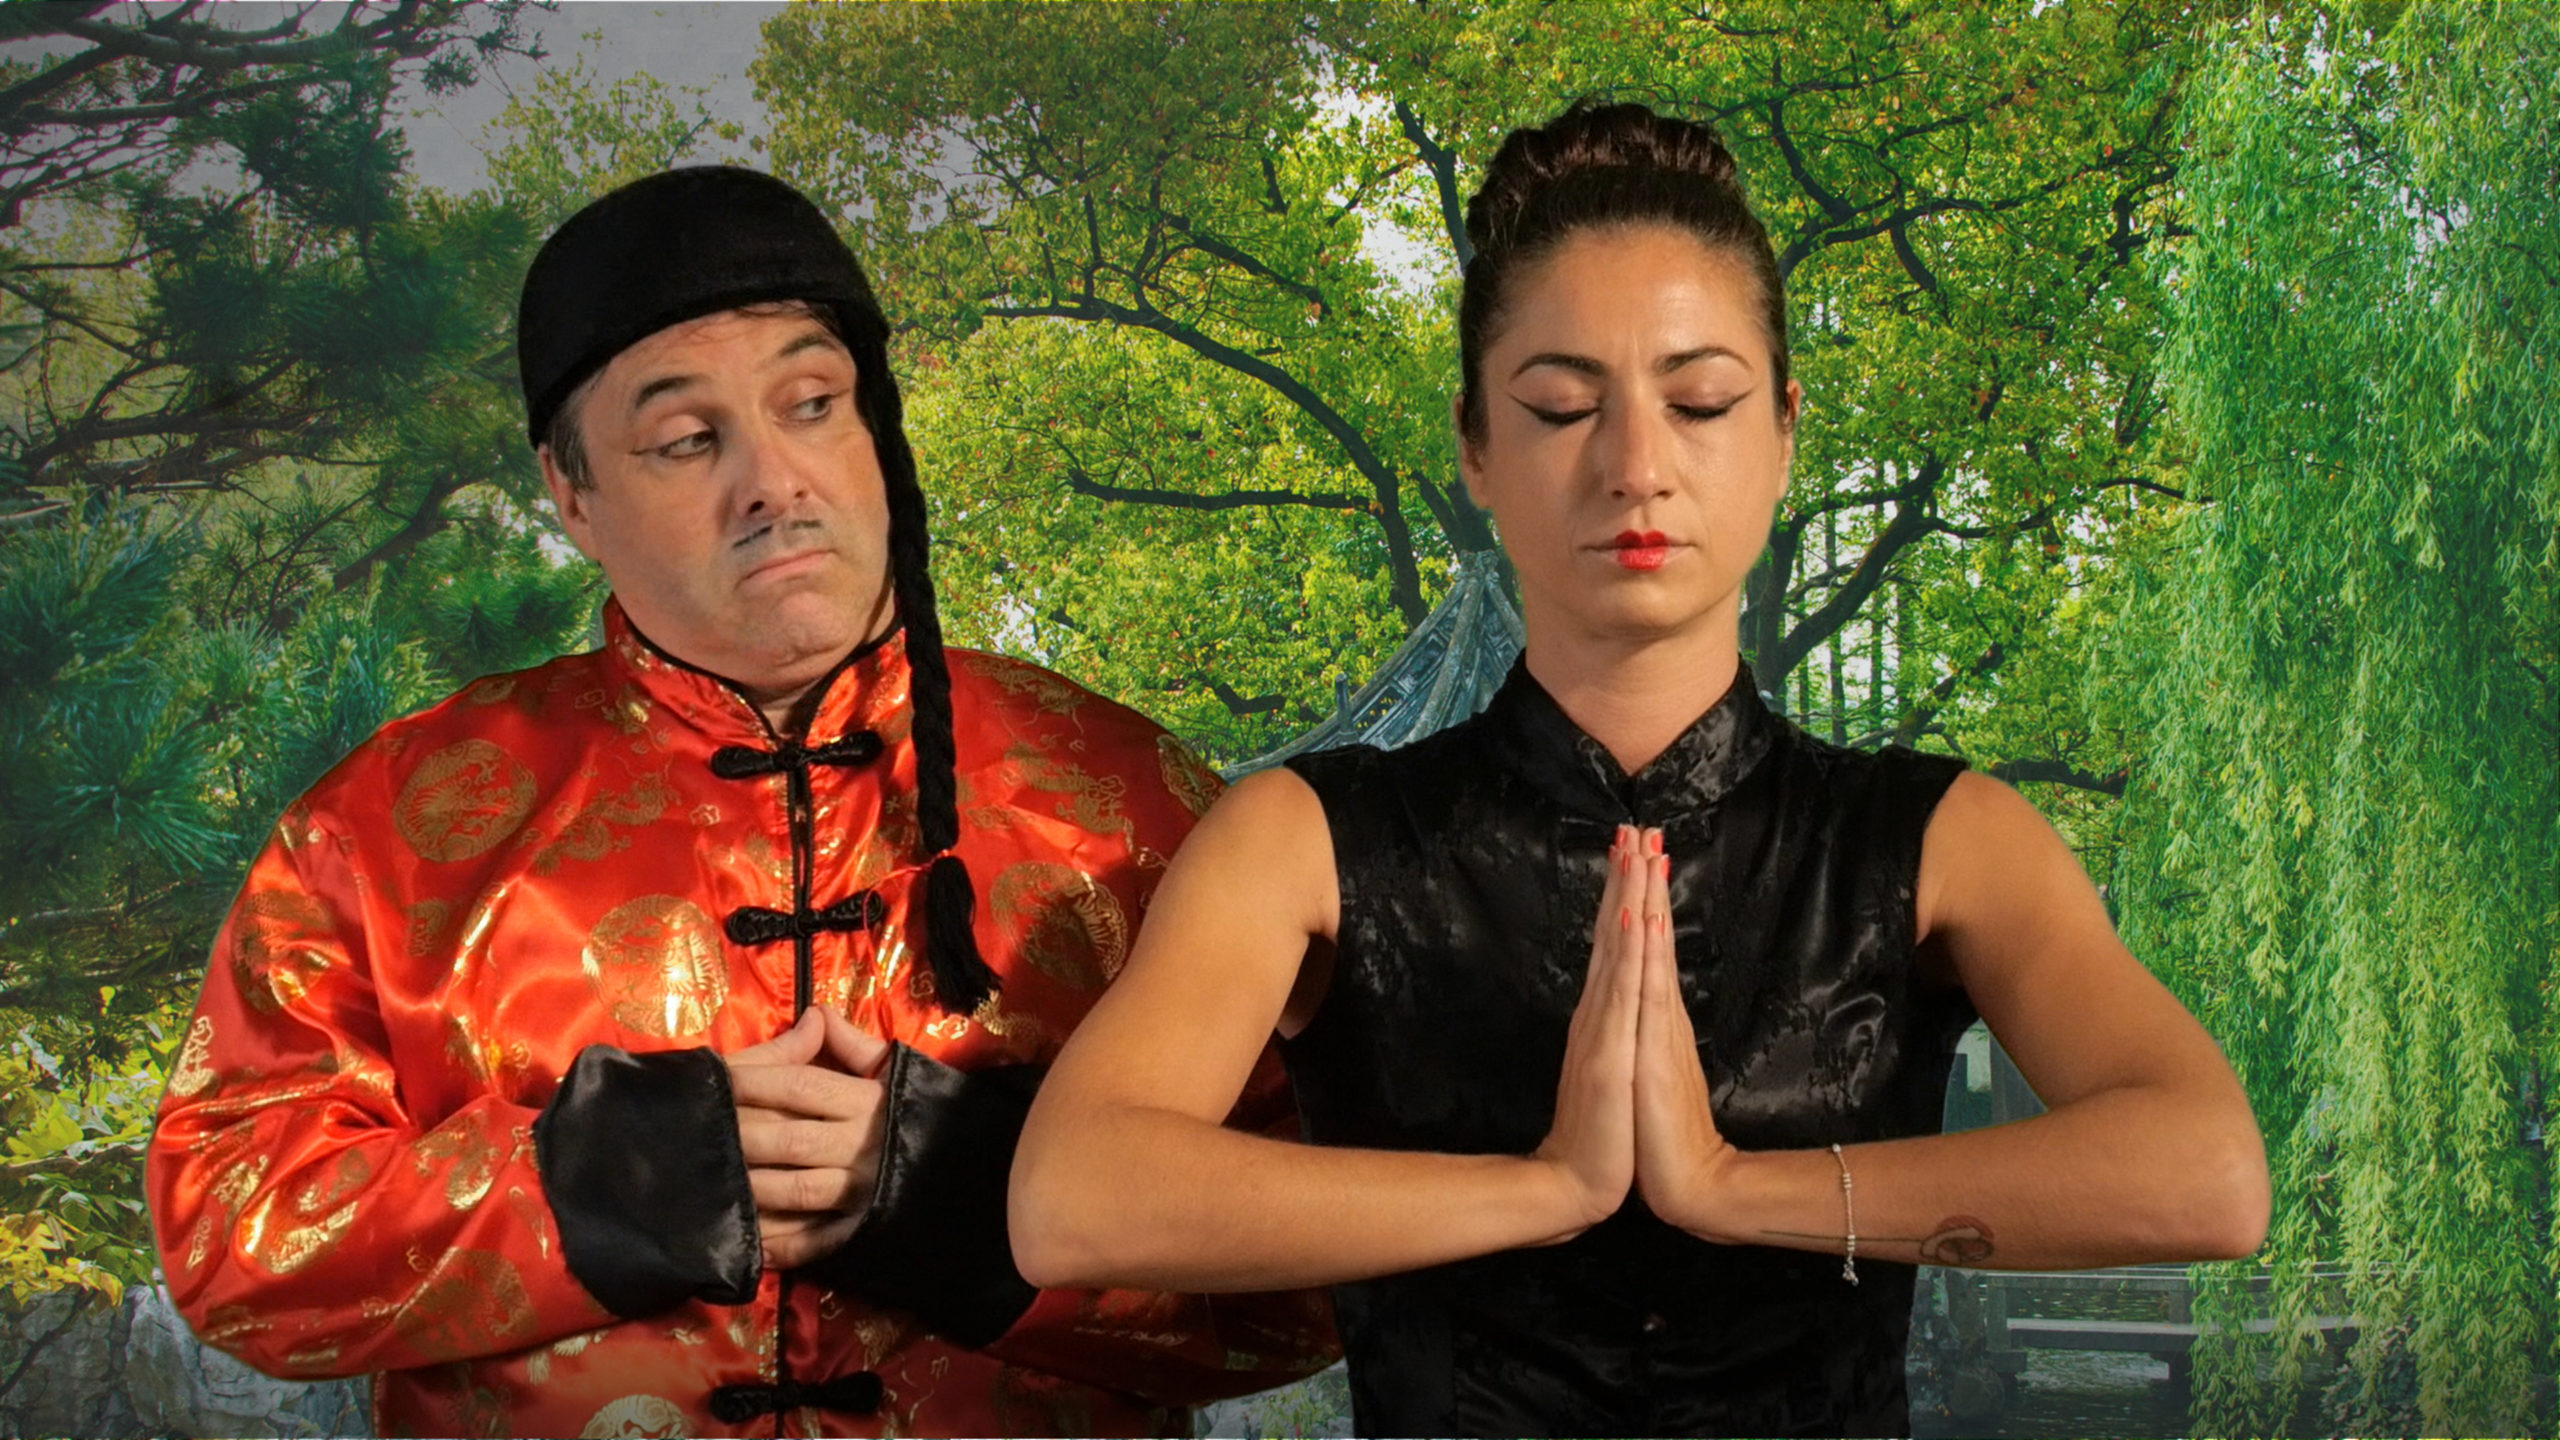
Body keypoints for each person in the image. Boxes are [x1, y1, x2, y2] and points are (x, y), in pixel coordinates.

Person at [1010, 102, 2270, 1436]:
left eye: (1700, 401)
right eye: (1561, 408)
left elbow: (2206, 1175)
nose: (1634, 467)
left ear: (1783, 432)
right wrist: (1547, 1186)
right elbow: (1071, 1198)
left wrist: (1727, 1186)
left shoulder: (1947, 838)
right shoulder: (1306, 840)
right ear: (1474, 446)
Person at [144, 166, 1335, 1438]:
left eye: (813, 405)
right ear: (571, 494)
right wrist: (585, 1190)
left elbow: (1327, 1283)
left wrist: (1004, 1206)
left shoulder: (1135, 807)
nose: (774, 480)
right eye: (685, 440)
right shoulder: (392, 826)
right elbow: (229, 1240)